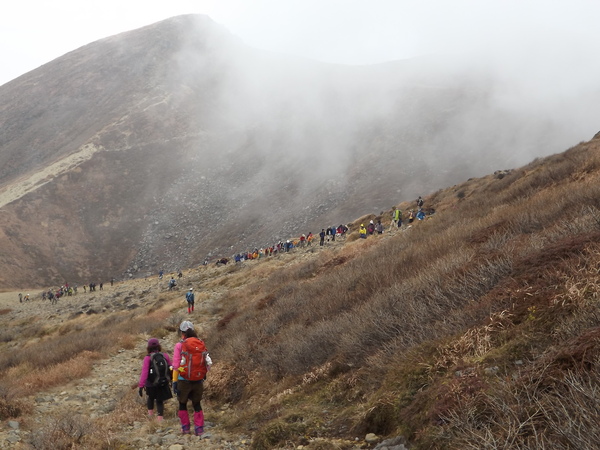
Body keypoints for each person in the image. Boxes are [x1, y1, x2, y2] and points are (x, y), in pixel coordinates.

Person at [172, 321, 211, 436]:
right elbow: (207, 364)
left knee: (182, 403)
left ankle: (185, 429)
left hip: (183, 379)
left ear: (182, 332)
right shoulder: (200, 344)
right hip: (198, 379)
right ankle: (199, 429)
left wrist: (174, 381)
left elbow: (175, 365)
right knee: (197, 404)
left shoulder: (179, 345)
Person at [138, 338, 173, 422]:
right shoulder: (165, 355)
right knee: (159, 400)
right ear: (158, 346)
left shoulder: (147, 358)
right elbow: (171, 368)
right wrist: (172, 380)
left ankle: (150, 415)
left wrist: (141, 385)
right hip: (163, 382)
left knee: (150, 398)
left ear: (148, 347)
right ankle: (160, 418)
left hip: (151, 383)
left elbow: (144, 372)